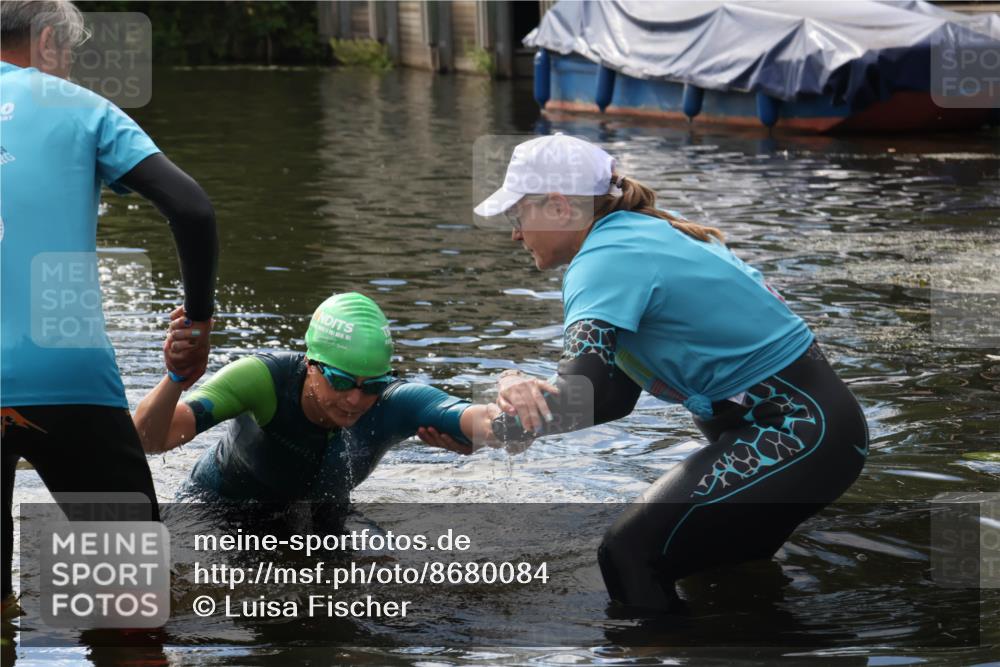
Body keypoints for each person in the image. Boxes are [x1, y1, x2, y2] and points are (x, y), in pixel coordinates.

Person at [458, 134, 870, 610]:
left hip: (796, 435)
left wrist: (512, 384)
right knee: (728, 589)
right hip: (819, 435)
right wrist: (496, 429)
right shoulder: (632, 235)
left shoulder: (603, 261)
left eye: (517, 215)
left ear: (557, 207)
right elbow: (611, 398)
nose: (515, 233)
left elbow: (582, 391)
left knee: (628, 553)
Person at [1, 0, 217, 613]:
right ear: (47, 43)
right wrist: (196, 323)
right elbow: (192, 208)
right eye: (68, 52)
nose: (68, 67)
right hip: (64, 375)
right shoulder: (79, 108)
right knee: (133, 600)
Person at [134, 292, 503, 519]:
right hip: (218, 513)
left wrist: (512, 410)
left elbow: (481, 419)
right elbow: (150, 439)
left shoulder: (394, 402)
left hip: (322, 518)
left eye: (372, 385)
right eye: (341, 381)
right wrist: (177, 378)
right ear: (311, 365)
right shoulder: (263, 380)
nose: (356, 399)